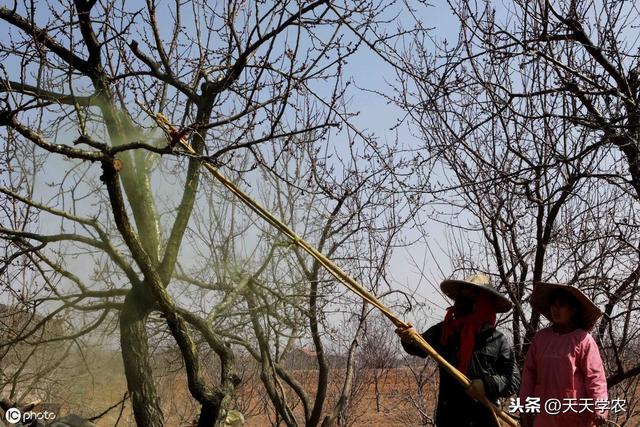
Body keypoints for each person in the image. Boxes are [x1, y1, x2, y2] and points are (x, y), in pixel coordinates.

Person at [396, 273, 520, 427]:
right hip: (449, 418)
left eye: (470, 297)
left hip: (483, 420)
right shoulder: (445, 331)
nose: (462, 302)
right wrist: (408, 338)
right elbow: (419, 347)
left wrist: (487, 384)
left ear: (484, 302)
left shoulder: (497, 339)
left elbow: (513, 380)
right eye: (462, 296)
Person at [520, 282, 608, 427]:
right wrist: (525, 406)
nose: (556, 309)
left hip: (574, 415)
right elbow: (529, 374)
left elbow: (595, 379)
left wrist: (600, 409)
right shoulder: (540, 338)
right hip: (543, 413)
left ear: (573, 310)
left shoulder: (584, 340)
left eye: (561, 305)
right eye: (553, 305)